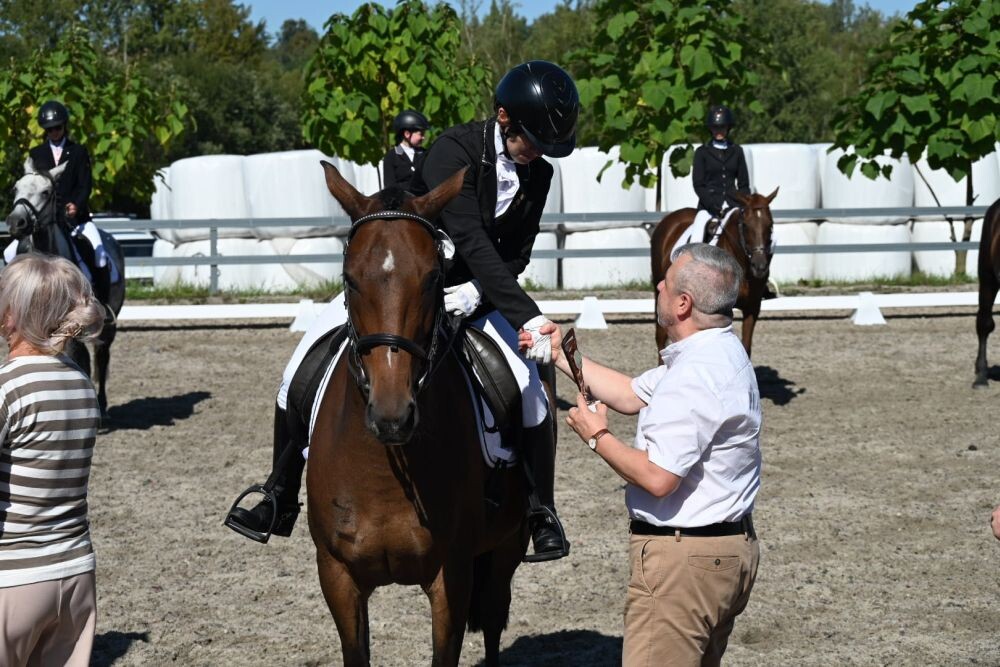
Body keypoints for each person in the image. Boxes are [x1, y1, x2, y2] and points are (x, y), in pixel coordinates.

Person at [226, 60, 579, 563]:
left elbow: (517, 251)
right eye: (533, 140)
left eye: (548, 146)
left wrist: (481, 295)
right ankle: (279, 492)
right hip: (404, 289)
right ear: (504, 118)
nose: (539, 154)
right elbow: (470, 239)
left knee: (531, 392)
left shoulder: (537, 173)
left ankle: (540, 510)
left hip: (477, 294)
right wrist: (529, 315)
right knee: (295, 373)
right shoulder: (453, 151)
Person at [529, 242, 761, 664]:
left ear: (684, 304)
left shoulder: (695, 374)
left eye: (667, 283)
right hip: (725, 554)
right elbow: (630, 393)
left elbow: (658, 478)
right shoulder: (720, 351)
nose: (658, 284)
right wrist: (562, 353)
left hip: (683, 566)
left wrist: (598, 437)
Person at [0, 253, 105, 667]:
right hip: (76, 572)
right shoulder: (81, 383)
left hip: (13, 576)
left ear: (17, 312)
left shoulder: (8, 387)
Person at [23, 101, 113, 305]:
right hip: (44, 221)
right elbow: (31, 187)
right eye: (49, 129)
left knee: (99, 255)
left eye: (57, 128)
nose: (54, 132)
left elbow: (85, 185)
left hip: (75, 219)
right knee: (10, 253)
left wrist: (76, 205)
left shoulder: (79, 152)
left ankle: (104, 308)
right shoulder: (36, 155)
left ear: (64, 126)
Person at [382, 110, 429, 192]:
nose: (423, 138)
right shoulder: (391, 156)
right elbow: (390, 186)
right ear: (407, 134)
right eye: (420, 134)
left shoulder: (425, 154)